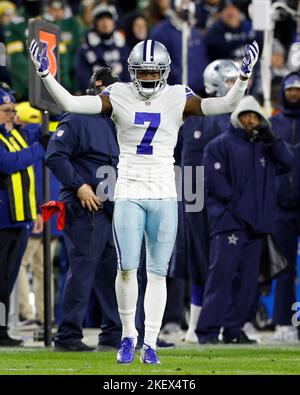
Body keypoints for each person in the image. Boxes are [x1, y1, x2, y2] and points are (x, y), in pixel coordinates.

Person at [29, 37, 259, 364]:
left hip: (164, 192)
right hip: (130, 190)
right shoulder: (118, 93)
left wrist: (244, 80)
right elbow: (72, 104)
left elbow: (221, 105)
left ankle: (149, 341)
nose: (148, 78)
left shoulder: (178, 95)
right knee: (126, 269)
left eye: (153, 72)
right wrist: (44, 74)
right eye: (143, 72)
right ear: (132, 71)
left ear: (164, 71)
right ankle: (127, 335)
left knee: (157, 273)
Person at [196, 95, 293, 344]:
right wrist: (241, 210)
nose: (251, 120)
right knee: (222, 277)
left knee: (248, 283)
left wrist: (272, 140)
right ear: (235, 117)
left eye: (255, 116)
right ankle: (207, 332)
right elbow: (215, 183)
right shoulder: (219, 145)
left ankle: (233, 330)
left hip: (256, 227)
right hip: (229, 223)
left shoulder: (264, 146)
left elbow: (288, 162)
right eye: (246, 115)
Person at [45, 67, 122, 352]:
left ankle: (114, 334)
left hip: (110, 207)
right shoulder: (79, 115)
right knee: (82, 270)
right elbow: (55, 155)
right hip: (85, 206)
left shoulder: (116, 119)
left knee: (110, 275)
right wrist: (79, 186)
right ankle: (67, 336)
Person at [0, 88, 49, 346]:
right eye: (6, 110)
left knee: (6, 279)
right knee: (0, 278)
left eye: (13, 110)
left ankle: (1, 330)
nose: (12, 115)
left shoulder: (16, 133)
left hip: (21, 217)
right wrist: (39, 149)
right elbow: (8, 163)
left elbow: (41, 130)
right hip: (3, 219)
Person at [270, 72, 300, 342]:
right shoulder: (273, 123)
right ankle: (283, 322)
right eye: (289, 89)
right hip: (281, 206)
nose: (294, 93)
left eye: (297, 89)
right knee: (285, 267)